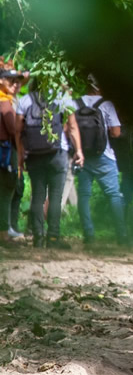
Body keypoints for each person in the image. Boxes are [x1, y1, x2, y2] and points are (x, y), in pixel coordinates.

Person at [16, 82, 84, 248]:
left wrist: (20, 156)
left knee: (38, 196)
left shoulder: (25, 100)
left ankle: (38, 238)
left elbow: (18, 130)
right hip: (57, 154)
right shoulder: (62, 98)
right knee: (55, 197)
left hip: (34, 154)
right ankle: (53, 238)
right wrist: (79, 150)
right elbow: (73, 127)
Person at [73, 77, 128, 246]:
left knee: (83, 195)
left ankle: (88, 235)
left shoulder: (75, 103)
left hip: (82, 155)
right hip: (104, 155)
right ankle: (122, 235)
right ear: (99, 87)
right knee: (113, 195)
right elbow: (116, 133)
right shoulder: (107, 104)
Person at [0, 64, 24, 247]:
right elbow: (13, 130)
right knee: (7, 192)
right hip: (6, 154)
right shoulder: (5, 104)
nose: (14, 84)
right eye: (10, 80)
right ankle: (3, 234)